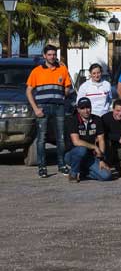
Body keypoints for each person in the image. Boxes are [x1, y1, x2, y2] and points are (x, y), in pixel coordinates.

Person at [26, 44, 73, 177]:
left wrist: (63, 93)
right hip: (43, 108)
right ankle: (42, 167)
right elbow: (28, 91)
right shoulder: (36, 71)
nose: (52, 57)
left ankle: (62, 165)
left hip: (59, 108)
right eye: (50, 54)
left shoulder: (63, 70)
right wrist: (35, 108)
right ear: (44, 56)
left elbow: (67, 88)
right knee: (41, 139)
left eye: (54, 54)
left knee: (61, 138)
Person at [64, 98, 113, 182]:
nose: (86, 111)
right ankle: (73, 173)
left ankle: (83, 172)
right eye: (82, 108)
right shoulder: (72, 120)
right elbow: (76, 142)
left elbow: (101, 140)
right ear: (78, 110)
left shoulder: (97, 120)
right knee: (81, 149)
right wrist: (94, 147)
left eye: (88, 107)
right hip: (72, 155)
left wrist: (101, 159)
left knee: (106, 176)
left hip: (89, 156)